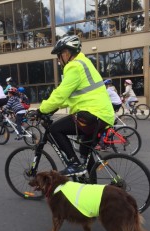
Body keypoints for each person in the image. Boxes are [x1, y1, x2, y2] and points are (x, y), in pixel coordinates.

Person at [35, 35, 114, 176]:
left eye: (59, 56)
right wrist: (53, 108)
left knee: (55, 129)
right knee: (85, 152)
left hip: (92, 114)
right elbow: (69, 97)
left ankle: (74, 164)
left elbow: (60, 95)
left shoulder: (74, 66)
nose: (59, 60)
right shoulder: (84, 63)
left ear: (66, 53)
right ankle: (92, 187)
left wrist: (41, 109)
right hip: (103, 115)